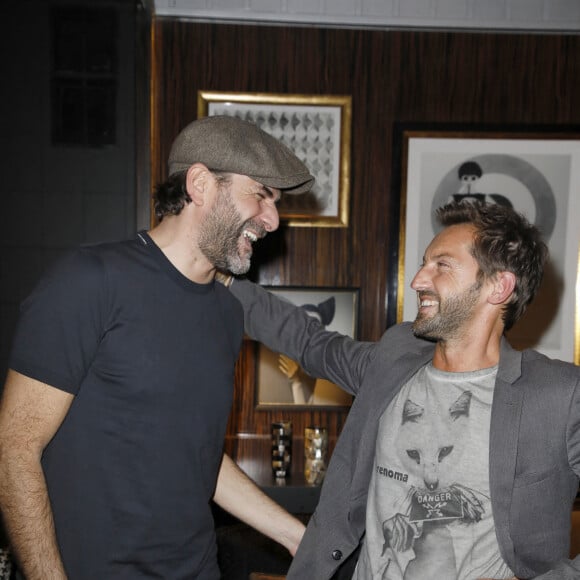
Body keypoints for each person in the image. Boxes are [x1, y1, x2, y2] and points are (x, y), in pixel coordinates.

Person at [0, 115, 314, 579]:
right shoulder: (90, 281)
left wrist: (294, 535)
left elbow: (198, 456)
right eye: (262, 194)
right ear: (202, 184)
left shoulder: (227, 315)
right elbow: (14, 448)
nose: (272, 219)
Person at [223, 200, 580, 579]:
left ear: (499, 286)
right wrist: (223, 281)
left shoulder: (556, 395)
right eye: (425, 263)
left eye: (441, 265)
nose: (418, 281)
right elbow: (312, 343)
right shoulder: (397, 354)